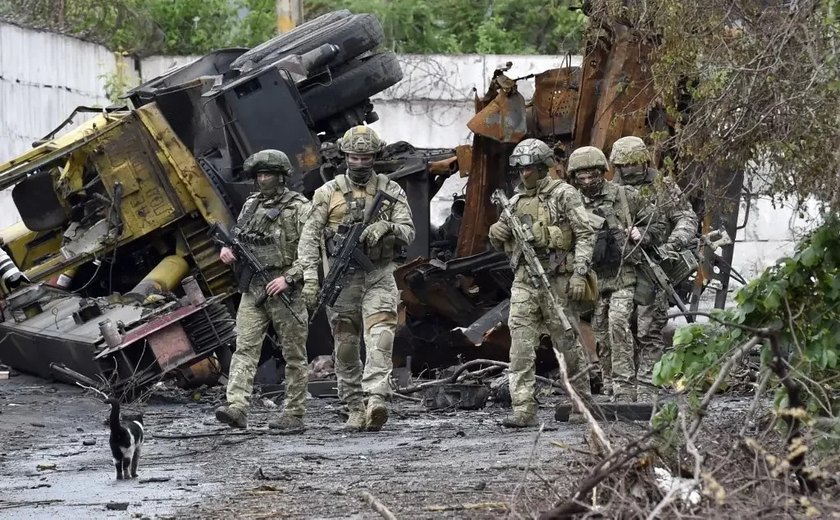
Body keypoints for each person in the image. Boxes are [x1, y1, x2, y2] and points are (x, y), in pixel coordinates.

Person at [297, 126, 415, 432]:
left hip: (378, 275)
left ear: (374, 157)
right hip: (342, 280)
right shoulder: (327, 193)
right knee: (346, 347)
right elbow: (309, 238)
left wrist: (386, 227)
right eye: (353, 157)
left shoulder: (392, 191)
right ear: (344, 157)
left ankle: (376, 398)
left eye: (365, 157)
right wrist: (310, 279)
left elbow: (409, 232)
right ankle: (353, 406)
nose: (360, 163)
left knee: (381, 338)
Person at [487, 138, 596, 427]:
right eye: (521, 169)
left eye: (531, 168)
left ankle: (581, 404)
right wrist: (497, 233)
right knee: (520, 347)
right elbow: (503, 243)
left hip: (557, 279)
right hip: (524, 281)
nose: (525, 174)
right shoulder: (513, 202)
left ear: (543, 167)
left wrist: (579, 273)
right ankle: (523, 410)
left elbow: (585, 234)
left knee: (567, 345)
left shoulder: (564, 195)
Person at [215, 149, 311, 433]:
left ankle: (294, 413)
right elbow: (238, 238)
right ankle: (237, 407)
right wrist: (227, 250)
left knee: (294, 353)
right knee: (244, 347)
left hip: (285, 290)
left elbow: (313, 252)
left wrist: (289, 278)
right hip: (253, 288)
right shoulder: (251, 205)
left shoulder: (300, 208)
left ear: (282, 177)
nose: (263, 179)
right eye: (259, 175)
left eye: (268, 174)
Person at [567, 146, 665, 403]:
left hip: (624, 273)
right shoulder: (572, 202)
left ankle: (625, 387)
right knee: (600, 331)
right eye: (582, 178)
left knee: (618, 322)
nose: (587, 183)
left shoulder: (624, 195)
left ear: (603, 172)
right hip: (595, 278)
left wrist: (641, 233)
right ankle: (609, 384)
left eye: (593, 176)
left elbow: (658, 223)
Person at [610, 136, 698, 397]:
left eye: (634, 164)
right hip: (622, 267)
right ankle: (621, 386)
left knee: (650, 327)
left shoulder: (662, 186)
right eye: (623, 165)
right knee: (620, 326)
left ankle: (649, 385)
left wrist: (672, 244)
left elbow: (685, 217)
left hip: (656, 262)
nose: (629, 170)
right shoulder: (611, 190)